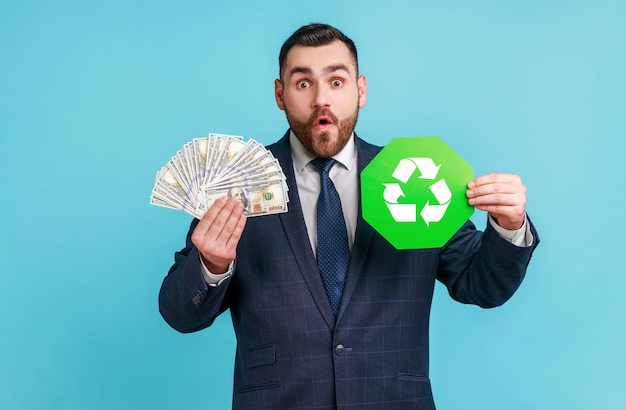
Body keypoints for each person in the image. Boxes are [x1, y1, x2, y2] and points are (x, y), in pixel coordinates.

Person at [159, 23, 539, 410]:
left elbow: (483, 285)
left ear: (360, 91)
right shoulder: (240, 185)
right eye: (303, 84)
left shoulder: (415, 177)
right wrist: (210, 265)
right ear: (280, 94)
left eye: (336, 82)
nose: (322, 99)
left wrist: (508, 228)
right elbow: (180, 313)